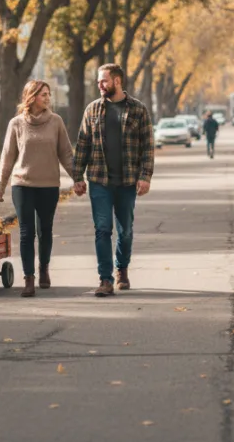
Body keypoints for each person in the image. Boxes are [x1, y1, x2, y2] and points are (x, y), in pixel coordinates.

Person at [72, 63, 155, 297]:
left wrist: (145, 176)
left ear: (117, 81)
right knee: (102, 229)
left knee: (125, 230)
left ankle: (122, 268)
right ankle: (105, 279)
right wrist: (77, 176)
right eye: (99, 81)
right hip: (99, 180)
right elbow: (83, 145)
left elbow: (148, 146)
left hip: (127, 181)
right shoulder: (92, 110)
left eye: (104, 81)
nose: (100, 85)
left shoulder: (138, 110)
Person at [0, 80, 74, 297]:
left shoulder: (56, 122)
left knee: (45, 231)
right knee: (26, 232)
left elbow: (66, 154)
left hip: (49, 185)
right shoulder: (16, 124)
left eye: (48, 94)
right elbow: (7, 157)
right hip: (23, 185)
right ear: (31, 97)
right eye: (43, 95)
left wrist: (77, 178)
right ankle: (28, 278)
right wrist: (0, 186)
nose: (48, 98)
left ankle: (44, 269)